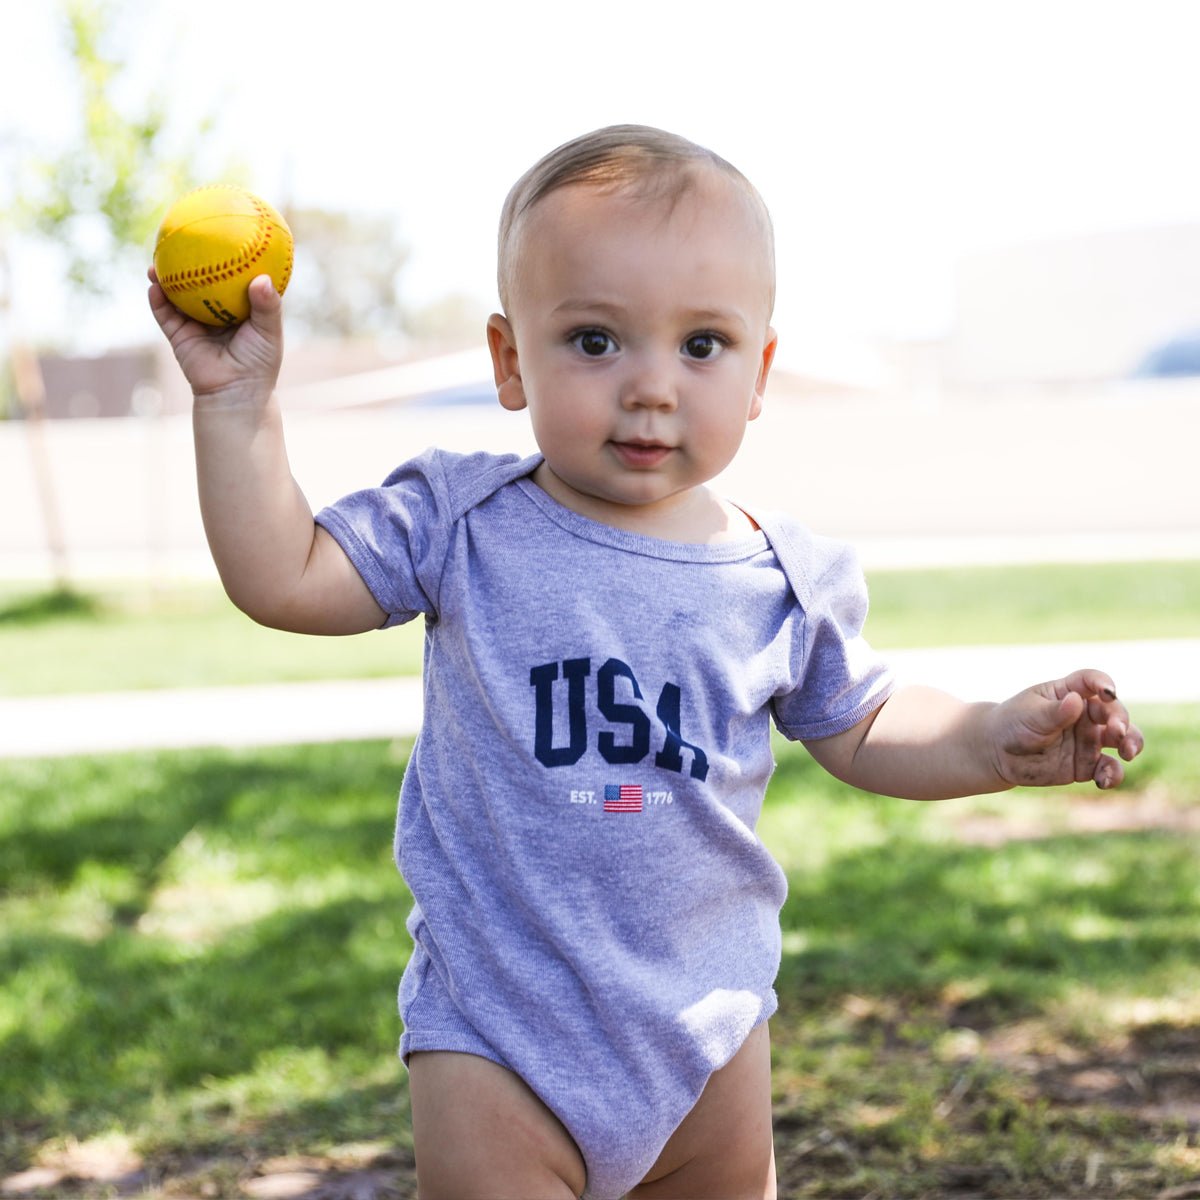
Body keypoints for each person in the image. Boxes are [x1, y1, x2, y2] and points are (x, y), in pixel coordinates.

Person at [149, 124, 1144, 1200]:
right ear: (509, 360)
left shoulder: (778, 576)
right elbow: (284, 577)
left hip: (705, 1036)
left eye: (702, 345)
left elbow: (865, 721)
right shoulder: (461, 522)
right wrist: (236, 405)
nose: (652, 387)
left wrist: (994, 735)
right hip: (499, 1037)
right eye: (595, 341)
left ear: (760, 370)